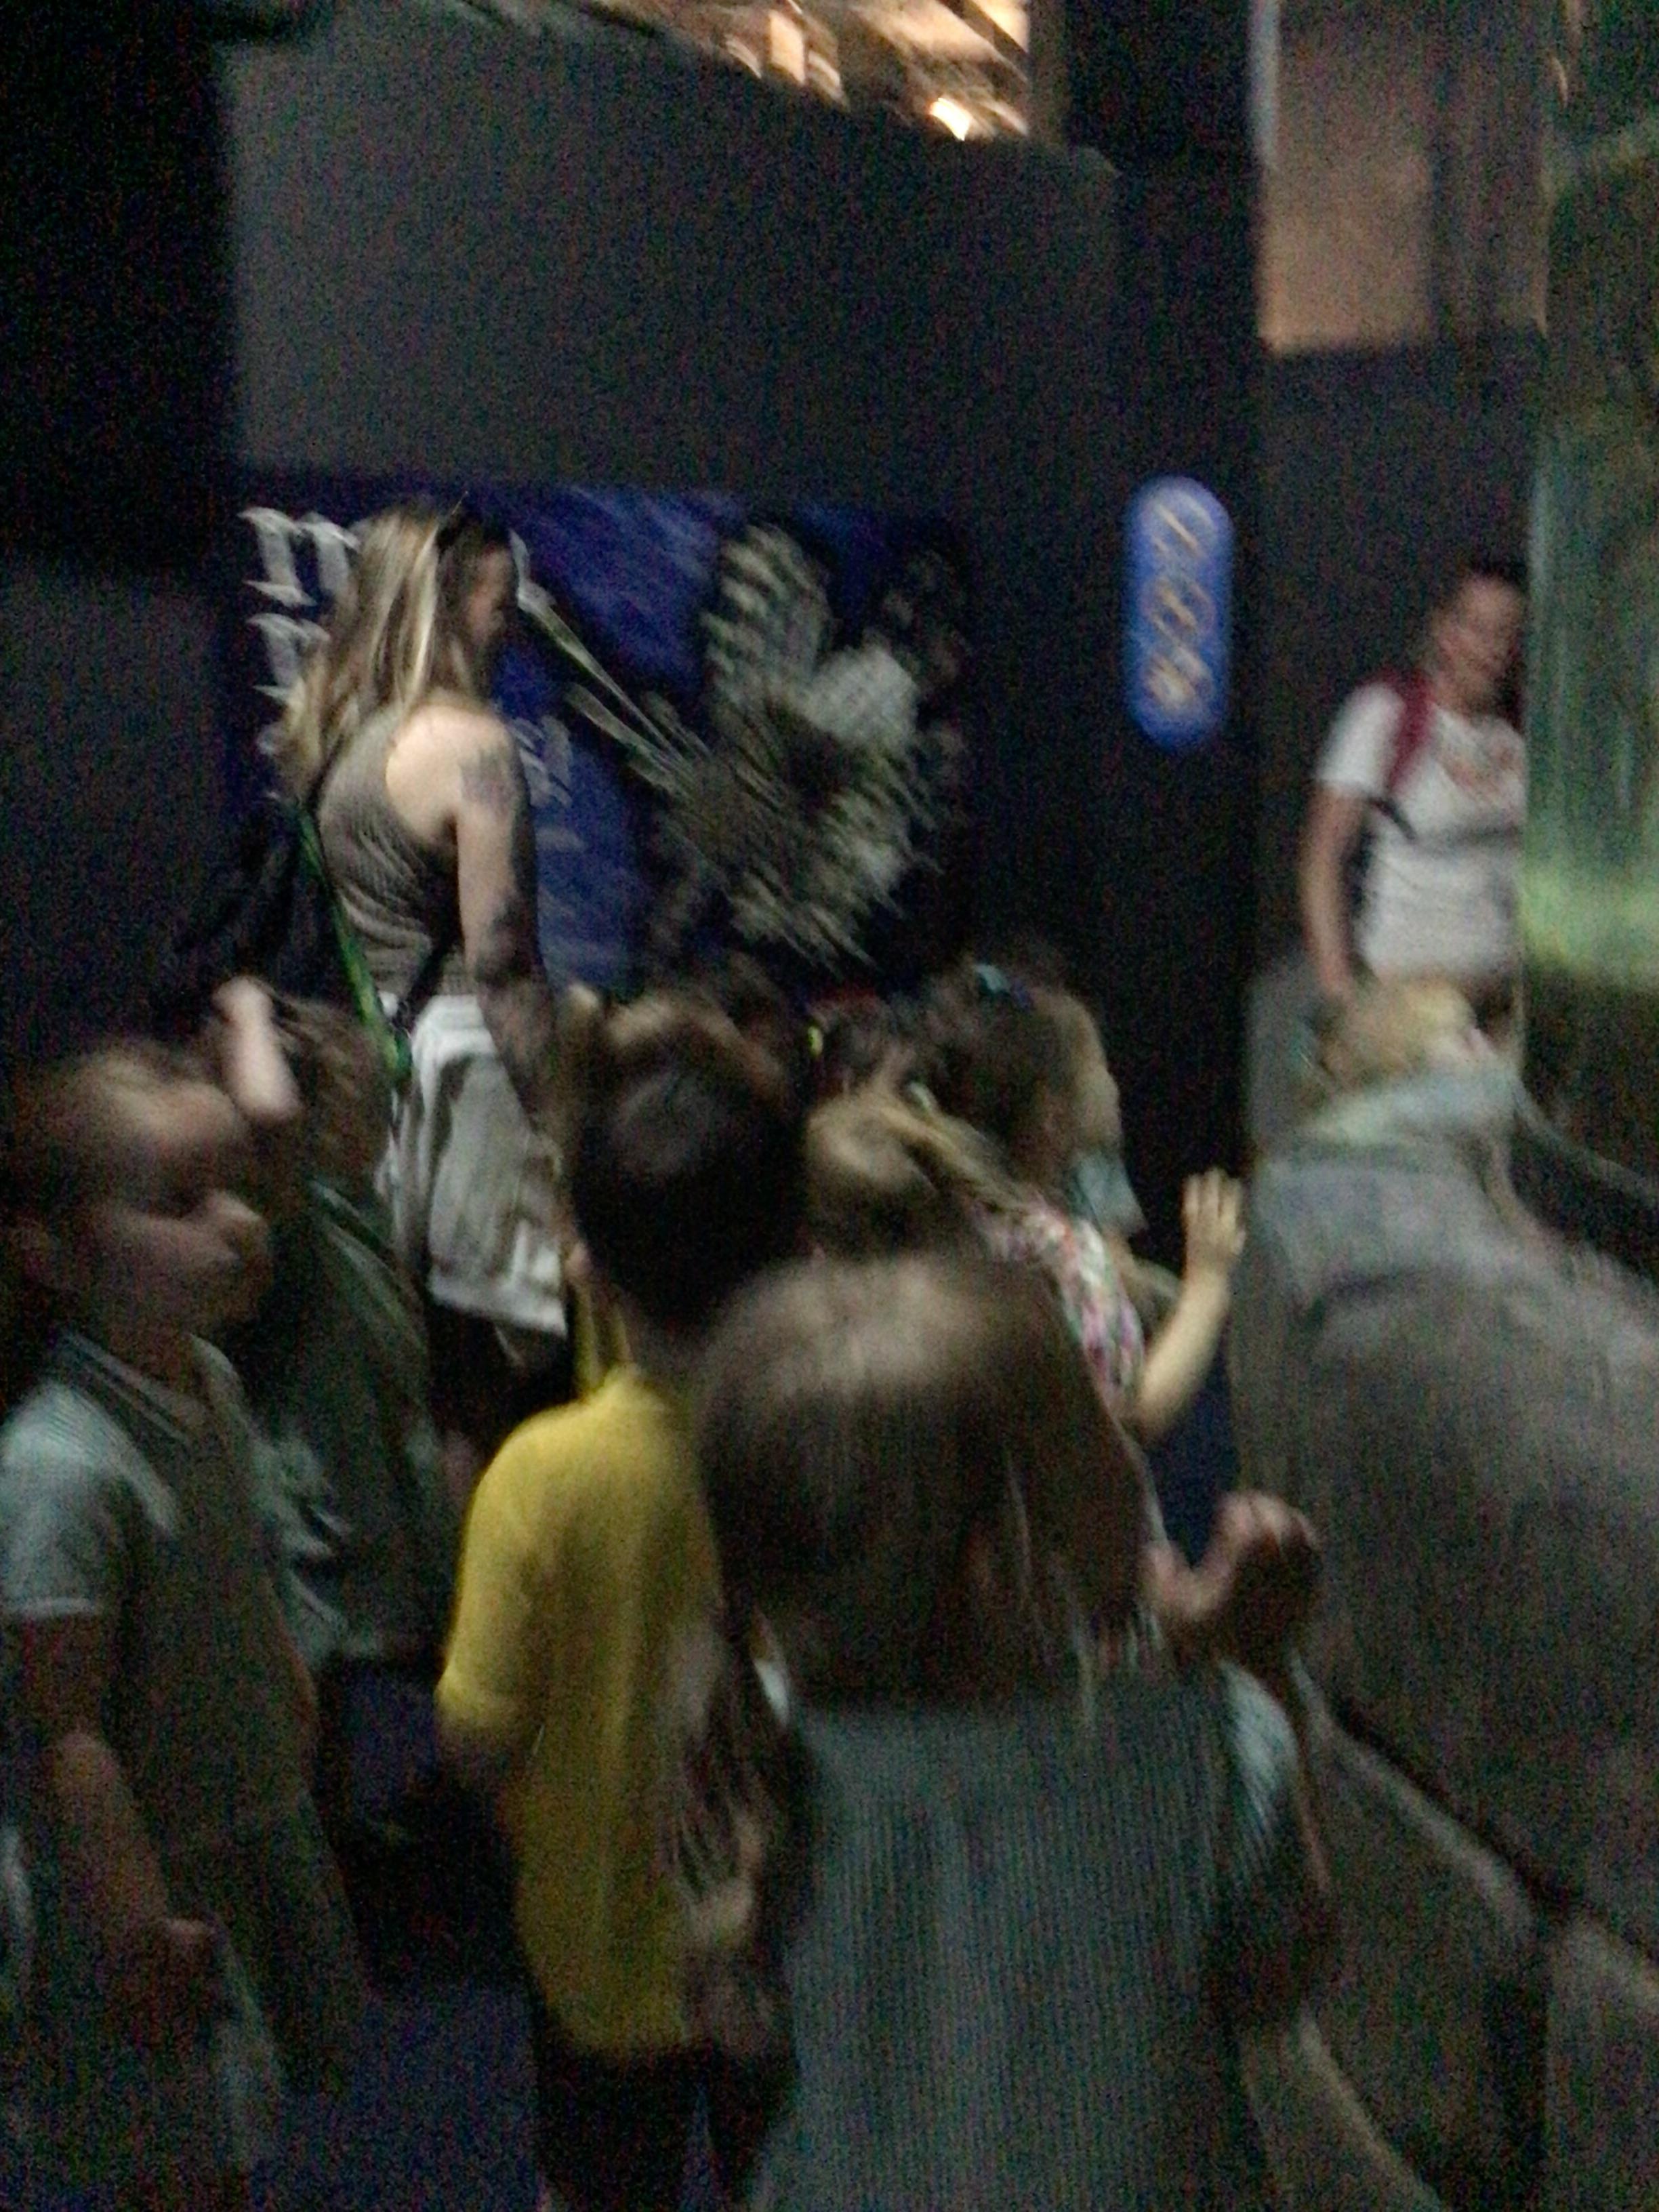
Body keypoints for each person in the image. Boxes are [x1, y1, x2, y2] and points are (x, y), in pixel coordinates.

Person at [694, 1250, 1332, 2212]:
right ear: (998, 1565)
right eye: (1095, 1426)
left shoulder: (762, 1751)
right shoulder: (1201, 1751)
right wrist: (1257, 1662)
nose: (1124, 1429)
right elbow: (1281, 1971)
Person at [436, 998, 806, 2212]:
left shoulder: (542, 1476)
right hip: (792, 1923)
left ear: (584, 1262)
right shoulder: (822, 1433)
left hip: (600, 1942)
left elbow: (476, 1733)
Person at [0, 1044, 364, 2210]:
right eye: (181, 1199)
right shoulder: (60, 1467)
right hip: (150, 1879)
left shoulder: (207, 1377)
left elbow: (234, 1555)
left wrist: (282, 1677)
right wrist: (137, 1929)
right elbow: (67, 1731)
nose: (240, 1223)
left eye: (240, 1186)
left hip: (234, 1816)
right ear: (50, 1251)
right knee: (179, 2160)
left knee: (219, 2147)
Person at [269, 499, 598, 1491]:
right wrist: (564, 1123)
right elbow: (501, 963)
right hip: (474, 1086)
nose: (515, 627)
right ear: (448, 605)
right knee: (497, 1388)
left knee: (435, 1379)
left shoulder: (343, 745)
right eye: (502, 604)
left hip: (382, 1077)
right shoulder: (471, 746)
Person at [922, 962, 1246, 1449]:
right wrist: (1208, 1283)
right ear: (1052, 1118)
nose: (1114, 1082)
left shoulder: (943, 1209)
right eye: (1099, 1066)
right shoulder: (1061, 1255)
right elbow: (1127, 1422)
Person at [1298, 552, 1528, 1023]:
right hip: (1403, 1002)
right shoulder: (1385, 715)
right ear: (1443, 629)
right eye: (1476, 628)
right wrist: (1341, 1002)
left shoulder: (1523, 733)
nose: (1490, 648)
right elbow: (1322, 858)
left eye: (1505, 632)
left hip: (1498, 1005)